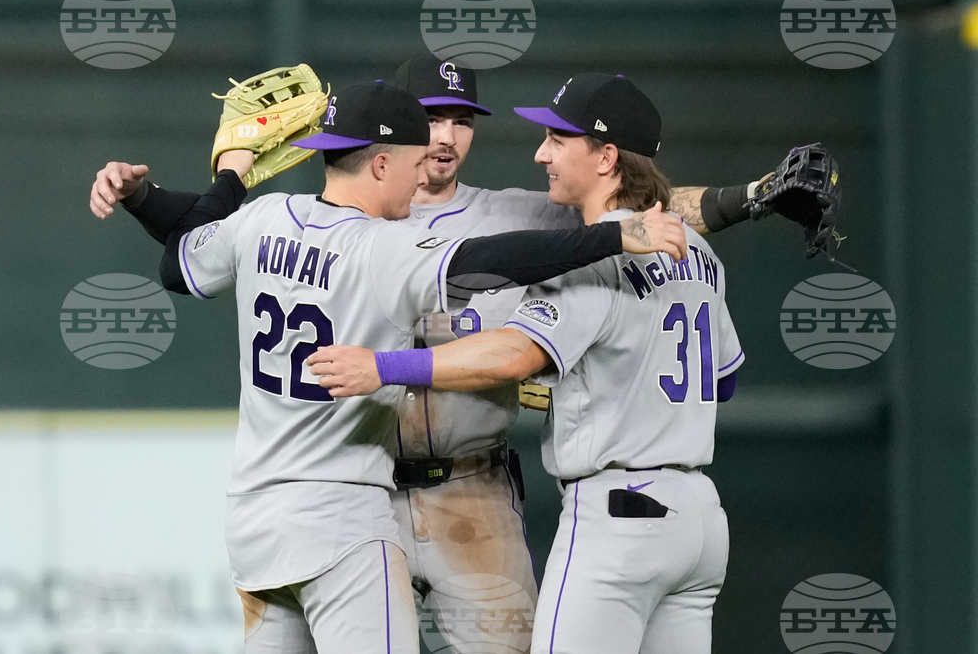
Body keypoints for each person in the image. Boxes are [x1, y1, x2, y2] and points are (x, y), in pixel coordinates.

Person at [88, 54, 817, 654]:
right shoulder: (389, 240)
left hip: (462, 494)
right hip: (364, 502)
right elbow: (591, 228)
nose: (444, 135)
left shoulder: (488, 211)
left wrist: (744, 197)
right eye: (429, 118)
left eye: (461, 120)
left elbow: (632, 203)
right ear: (389, 147)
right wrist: (153, 198)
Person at [308, 73, 742, 654]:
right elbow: (723, 379)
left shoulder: (588, 252)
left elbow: (515, 355)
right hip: (699, 519)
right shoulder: (698, 252)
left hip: (616, 511)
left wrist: (385, 368)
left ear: (607, 155)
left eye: (558, 140)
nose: (541, 153)